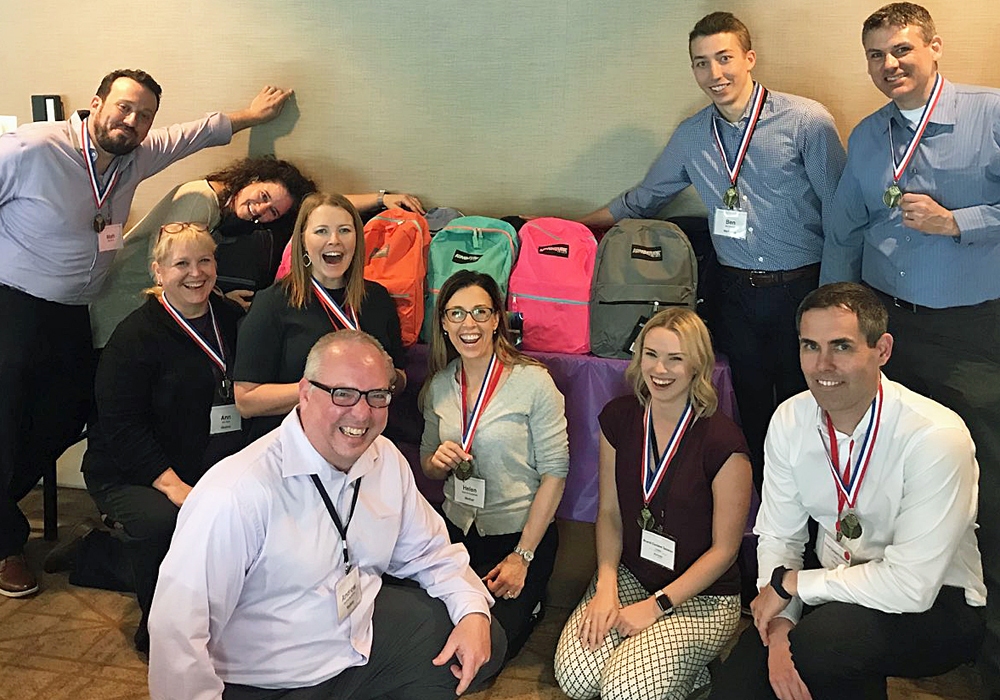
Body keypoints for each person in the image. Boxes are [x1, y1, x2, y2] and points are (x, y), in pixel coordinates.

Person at [0, 68, 290, 598]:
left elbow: (193, 133)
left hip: (72, 311)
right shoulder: (32, 148)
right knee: (7, 421)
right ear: (95, 103)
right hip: (15, 305)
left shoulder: (132, 156)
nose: (132, 121)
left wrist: (252, 115)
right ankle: (5, 546)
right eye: (124, 108)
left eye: (144, 115)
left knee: (67, 417)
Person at [148, 330, 506, 700]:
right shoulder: (235, 493)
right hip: (269, 682)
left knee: (483, 635)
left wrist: (472, 613)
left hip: (355, 640)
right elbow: (177, 631)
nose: (362, 412)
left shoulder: (384, 459)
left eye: (377, 396)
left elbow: (430, 552)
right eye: (343, 394)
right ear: (304, 393)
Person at [578, 12, 846, 490]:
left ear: (749, 58)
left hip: (803, 289)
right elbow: (645, 198)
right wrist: (575, 225)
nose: (715, 74)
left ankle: (820, 516)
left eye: (725, 59)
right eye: (702, 63)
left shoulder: (806, 121)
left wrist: (838, 296)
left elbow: (841, 211)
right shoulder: (693, 136)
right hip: (735, 293)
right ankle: (768, 517)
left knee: (809, 407)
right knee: (752, 408)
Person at [820, 5, 1000, 693]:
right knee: (898, 478)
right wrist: (833, 328)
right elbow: (841, 230)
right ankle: (913, 618)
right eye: (875, 55)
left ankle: (988, 646)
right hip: (892, 334)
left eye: (901, 50)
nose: (888, 64)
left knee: (987, 480)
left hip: (973, 332)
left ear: (934, 47)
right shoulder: (867, 138)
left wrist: (961, 221)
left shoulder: (989, 113)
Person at [707, 283, 986, 700]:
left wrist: (793, 586)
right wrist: (782, 620)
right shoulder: (789, 419)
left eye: (841, 347)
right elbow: (781, 537)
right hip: (827, 587)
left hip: (934, 605)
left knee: (827, 646)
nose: (822, 365)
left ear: (882, 350)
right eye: (809, 346)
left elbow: (911, 586)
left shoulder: (935, 436)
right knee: (739, 687)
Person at [554, 307, 752, 700]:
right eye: (651, 354)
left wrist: (658, 606)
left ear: (698, 364)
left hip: (703, 597)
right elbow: (609, 512)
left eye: (675, 358)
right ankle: (653, 663)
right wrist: (606, 584)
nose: (659, 369)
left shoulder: (723, 442)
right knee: (576, 679)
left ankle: (687, 672)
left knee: (624, 691)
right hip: (631, 575)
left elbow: (725, 551)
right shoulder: (619, 418)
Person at [66, 223, 242, 653]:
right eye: (181, 263)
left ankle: (105, 559)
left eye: (205, 260)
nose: (195, 273)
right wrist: (175, 487)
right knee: (168, 521)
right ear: (158, 271)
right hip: (132, 473)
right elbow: (121, 429)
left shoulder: (233, 319)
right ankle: (162, 629)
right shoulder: (133, 338)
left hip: (205, 461)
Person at [90, 158, 426, 343]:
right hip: (123, 305)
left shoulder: (230, 213)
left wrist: (381, 198)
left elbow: (315, 208)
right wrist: (219, 298)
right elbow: (175, 266)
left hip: (153, 308)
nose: (260, 210)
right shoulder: (201, 199)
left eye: (272, 213)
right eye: (263, 197)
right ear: (252, 177)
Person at [420, 270, 569, 662]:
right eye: (456, 313)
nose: (468, 324)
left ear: (497, 319)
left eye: (480, 312)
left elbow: (556, 472)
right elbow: (428, 464)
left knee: (488, 648)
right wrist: (437, 463)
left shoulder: (535, 382)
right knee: (431, 636)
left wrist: (523, 557)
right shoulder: (438, 385)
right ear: (443, 323)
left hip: (518, 540)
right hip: (456, 533)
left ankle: (533, 603)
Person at [233, 192, 406, 442]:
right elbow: (246, 401)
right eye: (321, 231)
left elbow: (399, 380)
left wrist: (391, 377)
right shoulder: (272, 303)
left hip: (362, 442)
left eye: (345, 230)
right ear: (302, 240)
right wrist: (323, 389)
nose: (334, 240)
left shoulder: (377, 299)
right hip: (292, 447)